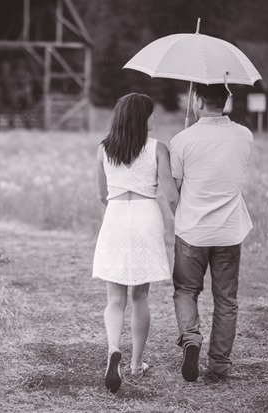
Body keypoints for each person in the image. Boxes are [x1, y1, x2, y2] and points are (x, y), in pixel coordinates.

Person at [92, 93, 178, 394]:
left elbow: (102, 193)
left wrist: (119, 212)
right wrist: (183, 222)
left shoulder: (104, 149)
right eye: (151, 115)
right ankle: (136, 363)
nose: (155, 119)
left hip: (115, 216)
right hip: (146, 216)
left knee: (114, 299)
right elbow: (171, 194)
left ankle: (113, 349)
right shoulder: (158, 149)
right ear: (141, 118)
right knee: (140, 297)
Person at [169, 83, 253, 382]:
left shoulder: (182, 139)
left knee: (185, 290)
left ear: (198, 99)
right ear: (226, 101)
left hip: (192, 231)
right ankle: (219, 365)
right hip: (229, 231)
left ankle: (190, 338)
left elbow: (174, 191)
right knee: (226, 299)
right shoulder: (245, 135)